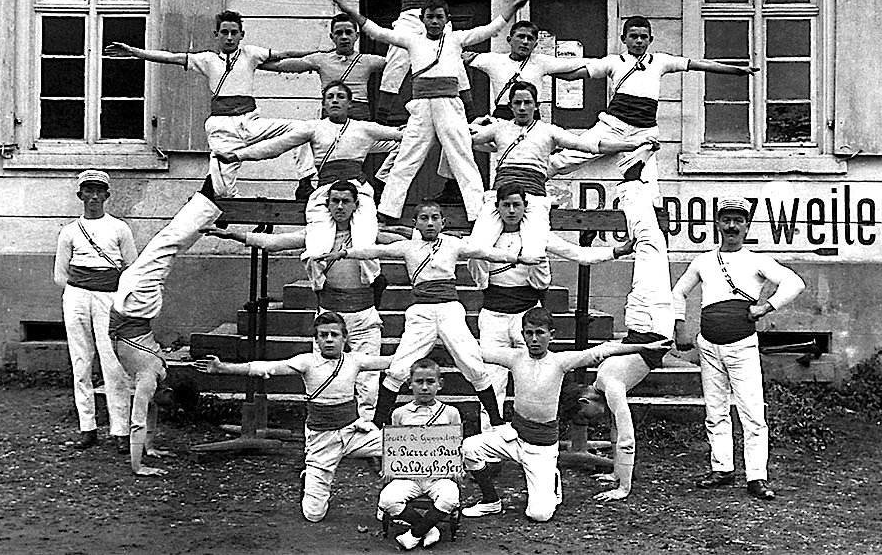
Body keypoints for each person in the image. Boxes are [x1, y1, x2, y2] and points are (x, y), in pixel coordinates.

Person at [314, 199, 544, 430]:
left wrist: (518, 259)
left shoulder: (453, 244)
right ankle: (376, 423)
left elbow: (486, 252)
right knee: (399, 367)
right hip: (420, 312)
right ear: (415, 224)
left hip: (449, 310)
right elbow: (375, 250)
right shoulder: (407, 247)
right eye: (424, 219)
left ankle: (496, 421)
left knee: (473, 362)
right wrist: (344, 253)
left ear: (443, 222)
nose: (430, 223)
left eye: (435, 218)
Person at [201, 179, 404, 420]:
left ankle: (365, 429)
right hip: (329, 319)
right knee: (321, 373)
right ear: (327, 205)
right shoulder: (315, 235)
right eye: (335, 201)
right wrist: (233, 235)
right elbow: (273, 243)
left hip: (363, 318)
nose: (340, 206)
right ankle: (326, 425)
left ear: (355, 205)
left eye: (345, 201)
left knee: (367, 382)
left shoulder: (369, 235)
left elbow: (407, 244)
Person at [329, 0, 533, 223]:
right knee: (406, 157)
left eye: (439, 17)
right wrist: (348, 9)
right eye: (430, 17)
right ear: (422, 19)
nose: (434, 22)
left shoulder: (456, 39)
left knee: (463, 157)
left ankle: (477, 213)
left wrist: (514, 6)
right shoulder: (411, 40)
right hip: (422, 107)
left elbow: (490, 28)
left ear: (446, 19)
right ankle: (388, 210)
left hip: (449, 105)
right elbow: (376, 31)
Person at [460, 307, 672, 522]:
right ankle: (490, 500)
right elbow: (477, 351)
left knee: (539, 515)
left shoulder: (560, 362)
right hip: (514, 438)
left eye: (540, 333)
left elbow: (602, 351)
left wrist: (645, 346)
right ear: (522, 334)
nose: (534, 339)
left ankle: (551, 477)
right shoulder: (515, 358)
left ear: (551, 335)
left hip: (541, 448)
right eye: (529, 333)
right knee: (469, 448)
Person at [313, 0, 525, 123]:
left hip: (435, 19)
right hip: (408, 20)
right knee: (395, 61)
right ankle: (382, 118)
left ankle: (470, 115)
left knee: (454, 61)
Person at [193, 311, 393, 522]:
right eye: (323, 335)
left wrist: (425, 352)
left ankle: (396, 501)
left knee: (401, 446)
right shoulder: (307, 362)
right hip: (322, 440)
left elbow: (392, 361)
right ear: (316, 340)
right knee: (314, 515)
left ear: (345, 337)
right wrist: (223, 367)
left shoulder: (355, 361)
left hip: (354, 432)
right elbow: (265, 367)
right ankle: (309, 478)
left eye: (334, 334)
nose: (329, 340)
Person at [104, 10, 322, 199]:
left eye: (234, 33)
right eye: (224, 32)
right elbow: (170, 57)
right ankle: (232, 206)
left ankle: (305, 183)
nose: (229, 37)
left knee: (303, 130)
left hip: (250, 122)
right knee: (223, 192)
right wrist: (135, 52)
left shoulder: (251, 53)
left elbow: (286, 55)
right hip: (222, 129)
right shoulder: (207, 60)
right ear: (216, 34)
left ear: (241, 35)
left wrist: (322, 56)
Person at [671, 196, 806, 501]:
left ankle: (756, 477)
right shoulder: (703, 260)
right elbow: (678, 292)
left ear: (746, 226)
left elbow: (794, 283)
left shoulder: (756, 260)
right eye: (726, 219)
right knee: (715, 410)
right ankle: (722, 468)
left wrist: (766, 307)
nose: (731, 226)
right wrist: (680, 326)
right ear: (717, 224)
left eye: (738, 220)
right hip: (708, 346)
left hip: (742, 346)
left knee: (752, 412)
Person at [475, 181, 637, 432]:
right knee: (491, 381)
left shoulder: (536, 237)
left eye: (516, 205)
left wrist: (616, 251)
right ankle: (490, 441)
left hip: (526, 319)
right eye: (505, 205)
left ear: (524, 207)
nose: (510, 211)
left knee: (535, 380)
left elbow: (578, 254)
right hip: (493, 316)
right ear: (497, 207)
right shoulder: (484, 238)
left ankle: (531, 435)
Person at [548, 15, 760, 204]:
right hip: (612, 126)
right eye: (633, 36)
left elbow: (699, 65)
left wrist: (737, 71)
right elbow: (575, 74)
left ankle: (646, 230)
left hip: (645, 133)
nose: (638, 41)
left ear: (650, 39)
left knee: (649, 189)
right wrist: (541, 69)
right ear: (624, 39)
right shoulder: (614, 62)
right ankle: (528, 179)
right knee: (568, 157)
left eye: (643, 37)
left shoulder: (660, 61)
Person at [467, 80, 657, 284]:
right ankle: (484, 287)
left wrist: (632, 144)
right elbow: (462, 138)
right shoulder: (499, 129)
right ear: (511, 105)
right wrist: (475, 123)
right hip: (501, 198)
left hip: (533, 200)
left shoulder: (549, 131)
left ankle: (538, 290)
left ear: (536, 105)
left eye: (527, 102)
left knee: (534, 254)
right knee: (475, 251)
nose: (522, 108)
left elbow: (591, 145)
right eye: (517, 103)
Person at [568, 155, 679, 501]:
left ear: (586, 399)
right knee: (651, 245)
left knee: (649, 243)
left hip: (645, 322)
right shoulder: (606, 384)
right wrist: (618, 476)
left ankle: (636, 180)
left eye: (586, 417)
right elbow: (621, 434)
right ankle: (637, 179)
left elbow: (625, 436)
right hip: (651, 326)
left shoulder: (610, 385)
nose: (592, 420)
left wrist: (623, 486)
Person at [110, 177, 224, 475]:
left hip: (134, 305)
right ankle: (210, 195)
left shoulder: (157, 378)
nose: (163, 407)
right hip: (135, 303)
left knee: (168, 245)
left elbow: (147, 413)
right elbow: (139, 420)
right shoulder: (152, 377)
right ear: (170, 389)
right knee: (168, 244)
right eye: (170, 403)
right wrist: (139, 466)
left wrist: (149, 449)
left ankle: (209, 196)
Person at [212, 81, 401, 261]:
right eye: (330, 97)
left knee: (365, 242)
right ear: (324, 104)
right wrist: (238, 156)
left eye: (341, 97)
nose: (335, 100)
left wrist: (383, 179)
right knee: (316, 247)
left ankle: (371, 282)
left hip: (358, 191)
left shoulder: (365, 128)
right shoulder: (313, 128)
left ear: (350, 103)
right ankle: (320, 286)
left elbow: (405, 137)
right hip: (326, 192)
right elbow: (276, 145)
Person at [257, 14, 389, 199]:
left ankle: (381, 182)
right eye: (339, 33)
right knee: (300, 134)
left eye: (348, 32)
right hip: (329, 131)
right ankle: (305, 181)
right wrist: (248, 63)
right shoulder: (321, 59)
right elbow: (286, 66)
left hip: (360, 132)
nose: (344, 37)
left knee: (406, 142)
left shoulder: (368, 61)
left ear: (356, 36)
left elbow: (400, 64)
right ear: (332, 37)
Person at [53, 170, 137, 450]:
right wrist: (81, 290)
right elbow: (60, 275)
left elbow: (131, 269)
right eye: (87, 191)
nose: (92, 196)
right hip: (77, 297)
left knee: (113, 364)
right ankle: (87, 428)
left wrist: (118, 299)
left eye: (98, 191)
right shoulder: (69, 232)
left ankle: (120, 431)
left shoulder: (119, 228)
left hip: (109, 299)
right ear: (80, 196)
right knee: (81, 362)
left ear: (106, 196)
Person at [378, 358, 462, 550]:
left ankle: (414, 534)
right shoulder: (400, 413)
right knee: (387, 499)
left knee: (450, 496)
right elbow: (396, 447)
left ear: (440, 384)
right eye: (419, 382)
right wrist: (390, 468)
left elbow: (455, 445)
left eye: (430, 382)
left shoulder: (450, 413)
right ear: (410, 384)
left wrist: (457, 467)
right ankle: (428, 529)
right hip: (410, 475)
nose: (424, 387)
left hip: (439, 475)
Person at [463, 20, 588, 120]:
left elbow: (572, 64)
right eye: (521, 37)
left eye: (530, 39)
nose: (525, 42)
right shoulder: (493, 60)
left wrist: (605, 64)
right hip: (504, 114)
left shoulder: (541, 62)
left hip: (531, 113)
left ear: (535, 44)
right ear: (509, 40)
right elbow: (458, 58)